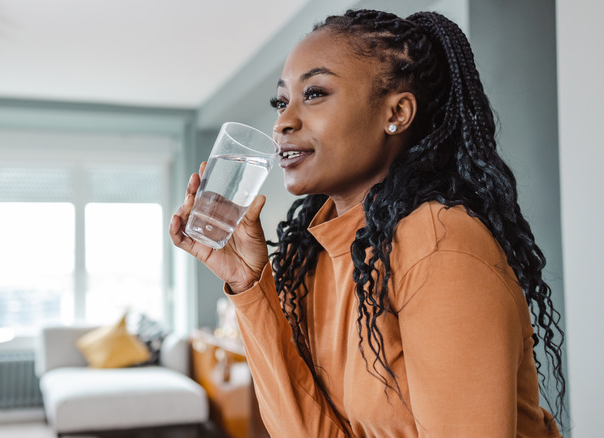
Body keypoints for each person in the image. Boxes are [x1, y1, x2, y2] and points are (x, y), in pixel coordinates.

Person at [170, 9, 565, 438]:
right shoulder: (316, 257)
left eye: (315, 93)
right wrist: (249, 285)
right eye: (281, 102)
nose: (283, 122)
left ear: (396, 112)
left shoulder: (438, 244)